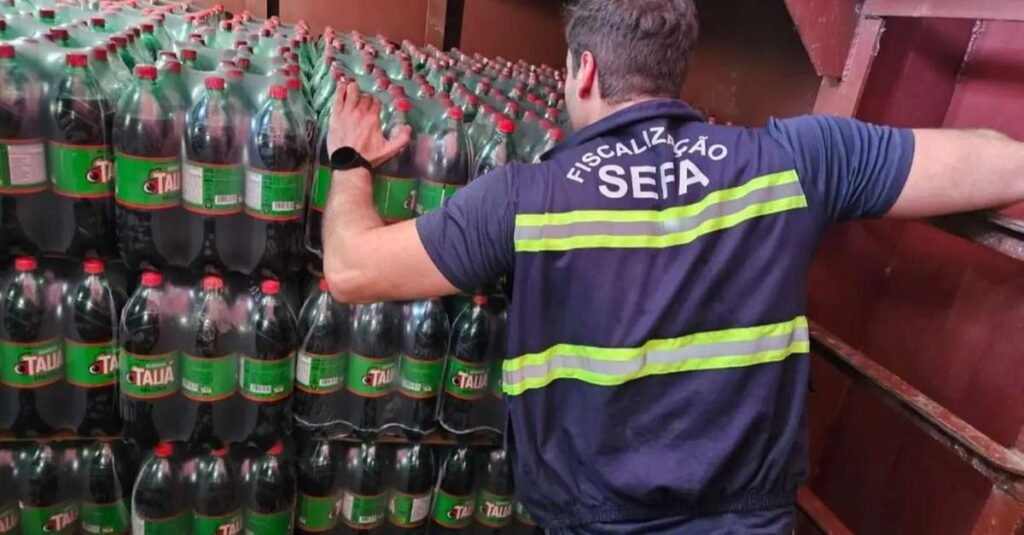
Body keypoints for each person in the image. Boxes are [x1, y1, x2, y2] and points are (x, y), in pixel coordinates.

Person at [319, 0, 1024, 532]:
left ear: (584, 71)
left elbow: (351, 270)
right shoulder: (795, 160)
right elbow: (1001, 163)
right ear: (672, 70)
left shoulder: (526, 197)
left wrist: (350, 158)